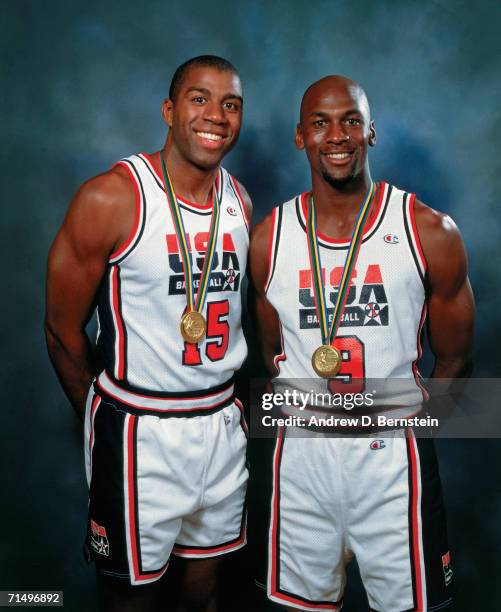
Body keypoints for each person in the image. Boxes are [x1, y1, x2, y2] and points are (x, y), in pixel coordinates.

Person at [249, 75, 474, 611]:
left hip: (392, 460)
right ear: (299, 137)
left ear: (371, 133)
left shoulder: (428, 231)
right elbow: (270, 356)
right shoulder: (268, 239)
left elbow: (459, 359)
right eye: (320, 123)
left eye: (351, 120)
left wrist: (405, 433)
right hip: (301, 460)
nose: (337, 135)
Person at [45, 55, 252, 612]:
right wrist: (100, 416)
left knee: (206, 595)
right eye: (199, 98)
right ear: (169, 110)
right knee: (129, 600)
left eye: (230, 104)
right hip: (139, 432)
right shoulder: (111, 198)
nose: (216, 115)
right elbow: (63, 330)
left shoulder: (240, 202)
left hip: (219, 428)